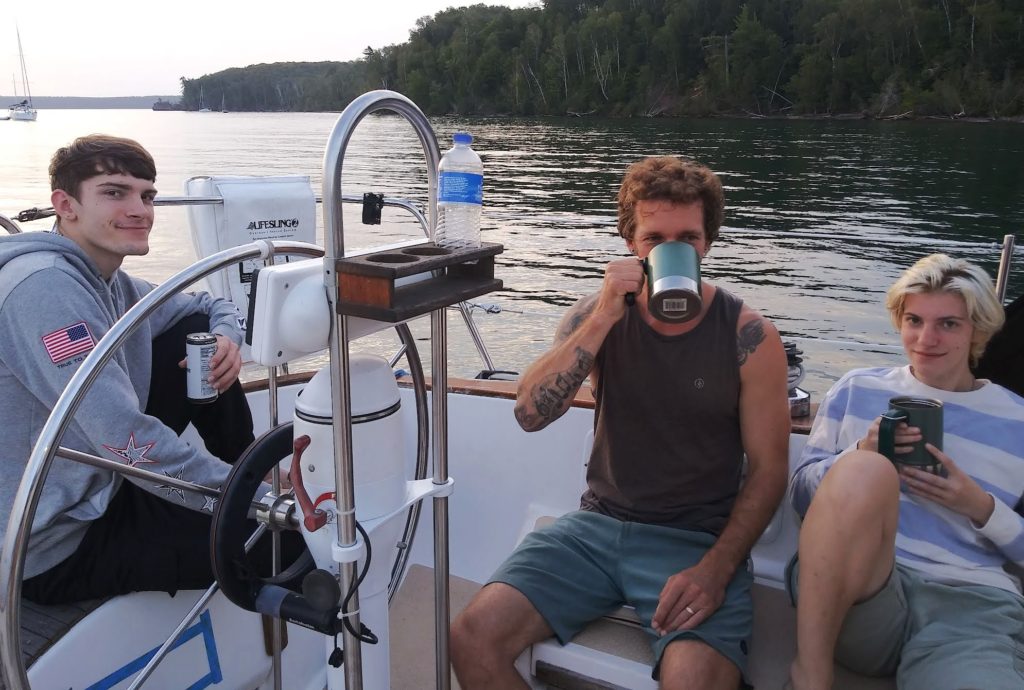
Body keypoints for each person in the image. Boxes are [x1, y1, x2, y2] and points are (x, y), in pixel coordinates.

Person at [450, 156, 790, 689]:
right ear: (630, 241)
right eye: (654, 237)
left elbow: (770, 469)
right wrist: (608, 312)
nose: (669, 249)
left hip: (695, 539)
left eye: (687, 237)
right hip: (596, 526)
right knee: (472, 637)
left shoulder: (749, 336)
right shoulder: (596, 315)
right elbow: (528, 413)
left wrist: (718, 569)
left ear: (706, 244)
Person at [0, 134, 272, 605]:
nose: (139, 210)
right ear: (65, 205)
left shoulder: (109, 280)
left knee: (196, 330)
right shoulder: (45, 288)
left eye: (146, 195)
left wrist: (226, 338)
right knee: (276, 544)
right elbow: (123, 433)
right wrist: (257, 503)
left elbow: (208, 303)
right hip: (47, 542)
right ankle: (253, 484)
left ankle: (247, 467)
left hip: (96, 485)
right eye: (114, 192)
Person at [788, 254, 1024, 690]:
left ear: (978, 330)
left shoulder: (1017, 421)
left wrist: (978, 505)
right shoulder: (858, 388)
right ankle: (810, 673)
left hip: (970, 610)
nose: (926, 338)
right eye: (914, 319)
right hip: (862, 593)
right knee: (863, 470)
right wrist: (862, 452)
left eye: (948, 324)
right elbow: (801, 498)